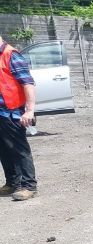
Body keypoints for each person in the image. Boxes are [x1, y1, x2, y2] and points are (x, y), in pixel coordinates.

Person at [0, 34, 37, 201]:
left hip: (12, 113)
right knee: (4, 151)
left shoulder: (11, 55)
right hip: (1, 113)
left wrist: (29, 111)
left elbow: (28, 83)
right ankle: (12, 183)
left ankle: (29, 185)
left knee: (19, 150)